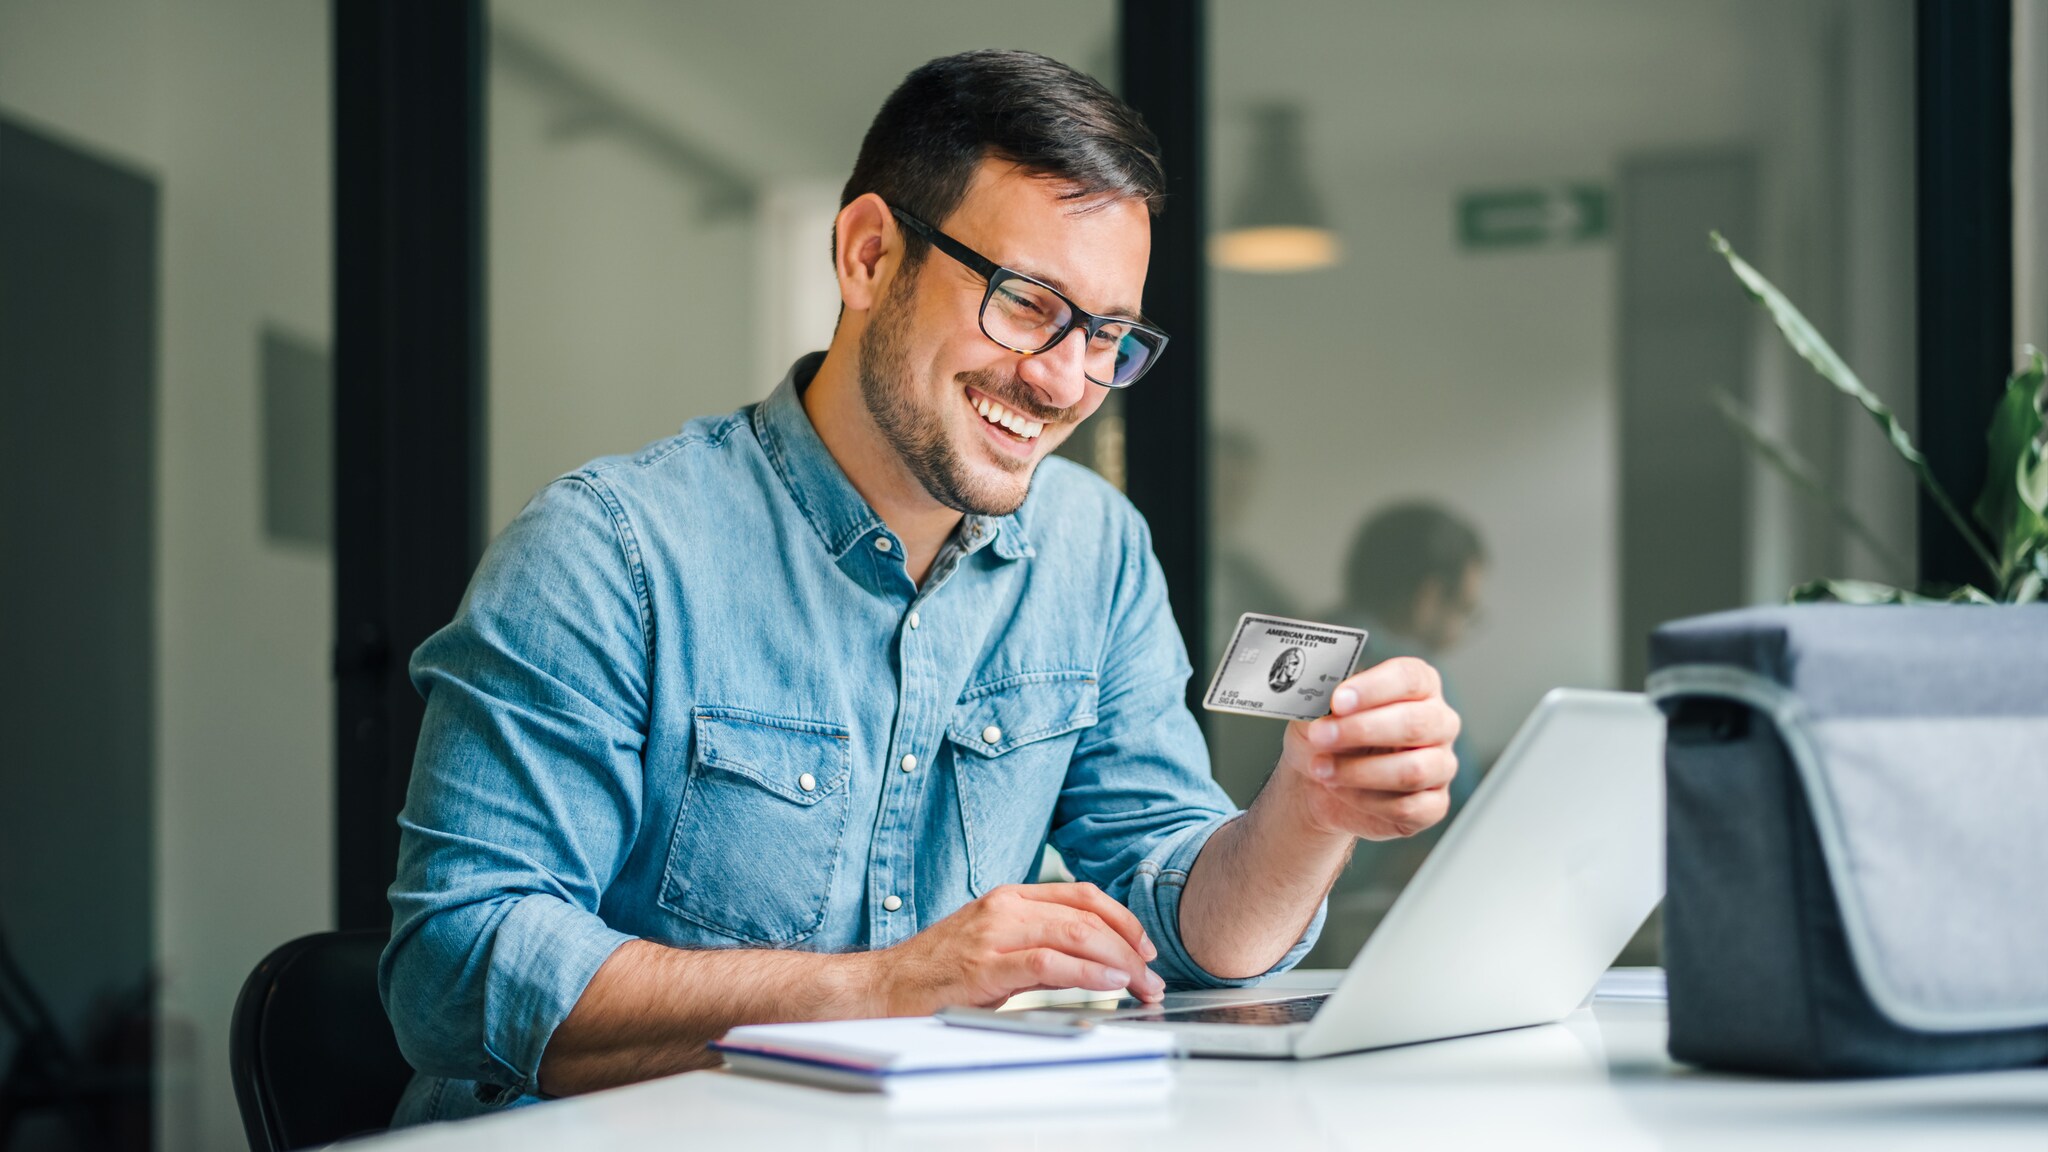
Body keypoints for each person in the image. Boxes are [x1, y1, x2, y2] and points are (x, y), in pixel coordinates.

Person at [379, 50, 1460, 1124]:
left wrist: (1310, 809)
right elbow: (458, 964)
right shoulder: (605, 552)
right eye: (1026, 302)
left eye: (1107, 336)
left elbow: (1180, 919)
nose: (1061, 380)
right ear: (865, 255)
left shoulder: (1096, 551)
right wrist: (890, 987)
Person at [1305, 500, 1487, 966]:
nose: (1464, 628)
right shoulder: (1416, 674)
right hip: (1361, 909)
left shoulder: (1308, 641)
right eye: (1467, 609)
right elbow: (1457, 818)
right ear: (1428, 596)